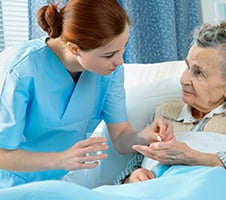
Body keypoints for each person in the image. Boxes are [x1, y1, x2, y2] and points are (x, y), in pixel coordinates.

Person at [0, 0, 174, 188]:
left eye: (123, 48)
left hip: (61, 185)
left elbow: (121, 138)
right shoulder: (20, 70)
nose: (120, 61)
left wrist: (144, 135)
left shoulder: (110, 72)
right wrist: (61, 160)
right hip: (11, 185)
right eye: (109, 54)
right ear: (74, 48)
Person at [115, 21, 226, 192]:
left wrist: (193, 157)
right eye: (188, 67)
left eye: (198, 73)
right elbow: (134, 167)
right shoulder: (164, 111)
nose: (184, 80)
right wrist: (133, 177)